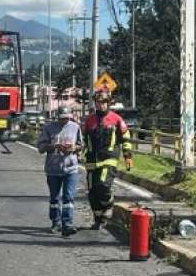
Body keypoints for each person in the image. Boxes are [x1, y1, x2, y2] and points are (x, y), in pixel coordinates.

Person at [82, 90, 133, 229]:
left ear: (108, 103)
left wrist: (128, 156)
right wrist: (78, 153)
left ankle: (109, 205)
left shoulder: (116, 119)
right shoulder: (89, 120)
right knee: (93, 193)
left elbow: (125, 138)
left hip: (109, 159)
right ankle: (99, 218)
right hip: (92, 161)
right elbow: (83, 141)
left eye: (104, 102)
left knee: (103, 186)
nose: (101, 105)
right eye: (98, 102)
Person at [37, 106, 82, 236]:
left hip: (71, 168)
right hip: (53, 169)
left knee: (69, 197)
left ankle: (67, 224)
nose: (65, 121)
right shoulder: (48, 128)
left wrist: (74, 147)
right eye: (62, 118)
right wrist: (53, 146)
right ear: (58, 117)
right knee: (55, 198)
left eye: (67, 118)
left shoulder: (75, 127)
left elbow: (81, 146)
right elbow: (40, 147)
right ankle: (55, 222)